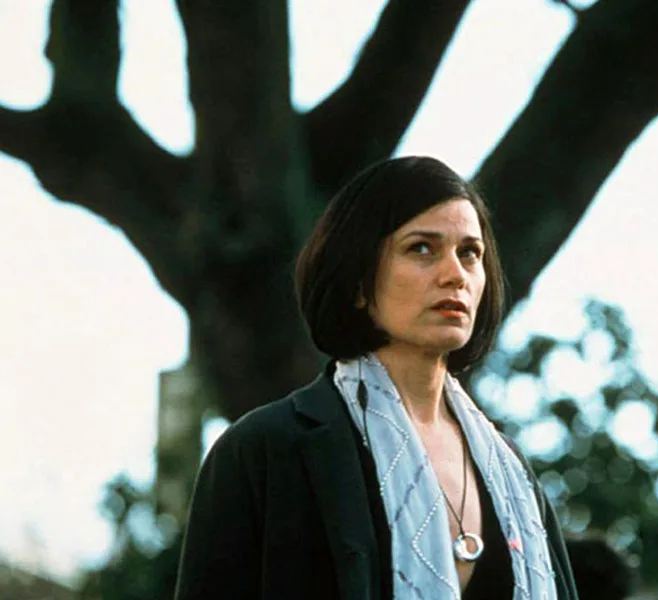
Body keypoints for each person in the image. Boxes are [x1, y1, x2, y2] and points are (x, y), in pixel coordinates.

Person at [174, 156, 579, 599]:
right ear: (357, 281)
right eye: (421, 248)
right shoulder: (266, 451)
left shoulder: (512, 472)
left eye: (469, 253)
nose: (455, 275)